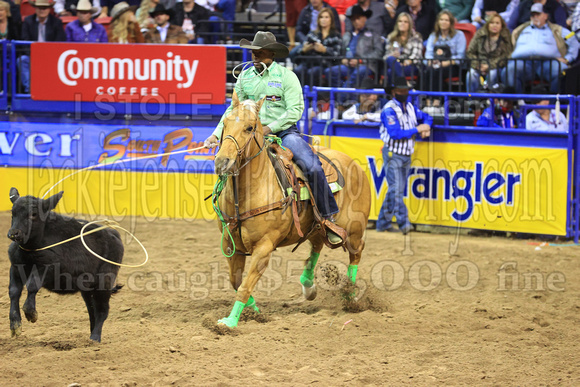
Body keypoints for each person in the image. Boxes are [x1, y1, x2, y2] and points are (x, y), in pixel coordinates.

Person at [203, 31, 345, 245]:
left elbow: (296, 110)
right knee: (228, 162)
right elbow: (233, 110)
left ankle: (327, 217)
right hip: (250, 134)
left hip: (284, 133)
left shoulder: (286, 77)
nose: (255, 56)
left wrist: (270, 128)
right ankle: (231, 216)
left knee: (311, 165)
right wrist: (215, 134)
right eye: (253, 52)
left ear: (271, 53)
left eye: (259, 52)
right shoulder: (245, 77)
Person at [376, 76, 432, 234]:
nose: (404, 93)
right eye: (401, 90)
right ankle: (404, 223)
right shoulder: (389, 110)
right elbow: (395, 134)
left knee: (395, 190)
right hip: (394, 154)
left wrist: (426, 125)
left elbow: (427, 116)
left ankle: (382, 223)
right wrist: (418, 129)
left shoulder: (410, 107)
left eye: (406, 90)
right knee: (396, 189)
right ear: (394, 92)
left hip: (406, 154)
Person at [503, 3, 579, 93]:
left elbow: (574, 42)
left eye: (538, 14)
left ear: (545, 16)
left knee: (562, 71)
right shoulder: (521, 29)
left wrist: (567, 59)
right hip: (523, 62)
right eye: (532, 15)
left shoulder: (557, 30)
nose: (535, 17)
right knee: (509, 70)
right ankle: (518, 103)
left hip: (548, 63)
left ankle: (554, 104)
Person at [325, 5, 384, 88]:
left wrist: (360, 60)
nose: (356, 21)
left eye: (358, 18)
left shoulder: (373, 35)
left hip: (366, 65)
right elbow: (341, 51)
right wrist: (343, 60)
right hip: (348, 65)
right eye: (353, 19)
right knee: (330, 71)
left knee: (359, 72)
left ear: (364, 18)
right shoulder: (347, 35)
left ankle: (340, 97)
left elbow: (378, 52)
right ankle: (341, 96)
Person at [19, 0, 66, 93]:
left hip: (52, 56)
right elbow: (24, 41)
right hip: (32, 55)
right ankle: (30, 90)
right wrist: (34, 54)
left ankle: (54, 91)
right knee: (22, 60)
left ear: (49, 9)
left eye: (44, 8)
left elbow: (60, 42)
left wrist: (48, 55)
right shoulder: (28, 21)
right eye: (39, 8)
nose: (42, 10)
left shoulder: (56, 22)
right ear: (35, 9)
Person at [290, 7, 342, 86]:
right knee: (297, 70)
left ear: (331, 20)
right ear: (318, 20)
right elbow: (300, 51)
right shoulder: (312, 34)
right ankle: (299, 96)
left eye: (326, 17)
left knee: (312, 72)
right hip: (308, 61)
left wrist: (324, 50)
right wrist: (304, 50)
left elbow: (337, 54)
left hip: (323, 63)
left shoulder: (336, 36)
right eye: (321, 17)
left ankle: (311, 97)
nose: (323, 19)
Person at [466, 13, 513, 92]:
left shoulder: (505, 37)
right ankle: (472, 100)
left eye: (497, 23)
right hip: (479, 65)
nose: (494, 25)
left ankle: (489, 100)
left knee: (492, 74)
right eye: (492, 23)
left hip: (496, 66)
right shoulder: (480, 34)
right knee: (470, 75)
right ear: (487, 24)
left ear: (501, 25)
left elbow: (507, 55)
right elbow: (470, 52)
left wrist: (489, 66)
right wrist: (478, 64)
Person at [424, 9, 466, 92]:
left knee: (436, 71)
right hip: (435, 64)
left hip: (453, 66)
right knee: (426, 71)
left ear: (451, 22)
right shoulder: (433, 36)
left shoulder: (459, 35)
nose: (443, 22)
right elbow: (428, 54)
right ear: (438, 22)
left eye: (446, 20)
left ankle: (436, 100)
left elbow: (461, 56)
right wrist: (431, 62)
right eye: (441, 20)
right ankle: (427, 99)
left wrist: (444, 63)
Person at [383, 12, 423, 85]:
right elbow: (386, 57)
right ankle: (404, 84)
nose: (402, 23)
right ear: (397, 23)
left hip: (410, 66)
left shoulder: (416, 37)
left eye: (405, 22)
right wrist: (392, 55)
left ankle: (392, 94)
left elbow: (416, 56)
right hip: (395, 64)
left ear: (409, 24)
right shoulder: (391, 37)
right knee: (390, 60)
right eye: (400, 21)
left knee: (390, 71)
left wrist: (405, 63)